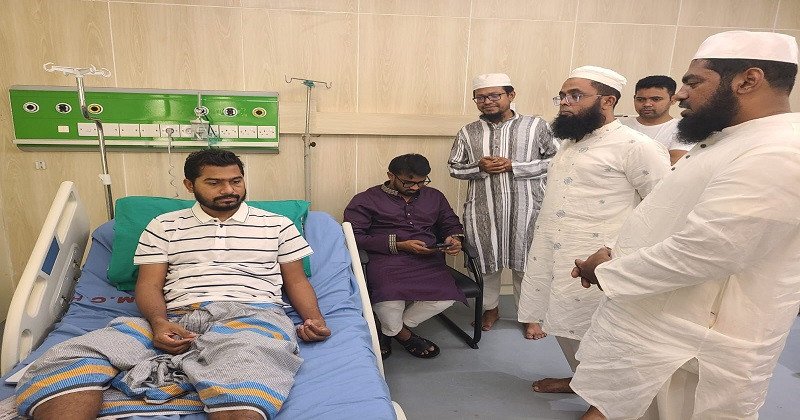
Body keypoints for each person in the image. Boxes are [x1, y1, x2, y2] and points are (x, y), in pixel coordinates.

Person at [570, 31, 800, 420]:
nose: (680, 94)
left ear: (748, 80)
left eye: (694, 82)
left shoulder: (780, 151)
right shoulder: (729, 139)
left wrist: (606, 271)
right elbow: (669, 213)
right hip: (659, 322)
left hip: (698, 340)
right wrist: (615, 251)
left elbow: (710, 250)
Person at [16, 148, 331, 420]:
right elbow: (149, 285)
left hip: (251, 314)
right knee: (72, 356)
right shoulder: (164, 226)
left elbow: (296, 280)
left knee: (245, 367)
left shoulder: (277, 225)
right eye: (214, 182)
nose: (229, 189)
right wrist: (158, 323)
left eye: (236, 181)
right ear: (189, 185)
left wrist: (314, 319)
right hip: (178, 315)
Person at [516, 66, 670, 394]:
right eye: (562, 96)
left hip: (598, 258)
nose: (565, 102)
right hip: (553, 249)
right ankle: (580, 382)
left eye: (576, 96)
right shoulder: (570, 143)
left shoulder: (636, 146)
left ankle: (603, 399)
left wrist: (616, 252)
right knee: (561, 320)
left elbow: (661, 208)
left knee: (597, 330)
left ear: (607, 100)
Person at [448, 73, 558, 337]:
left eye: (494, 95)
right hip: (483, 211)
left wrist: (514, 166)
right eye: (481, 97)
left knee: (527, 265)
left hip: (527, 210)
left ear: (511, 95)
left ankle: (530, 316)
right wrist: (479, 167)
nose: (487, 101)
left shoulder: (536, 126)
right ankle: (491, 309)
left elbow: (557, 162)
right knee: (486, 264)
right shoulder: (468, 132)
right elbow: (454, 168)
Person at [345, 154, 465, 359]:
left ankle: (390, 329)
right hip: (385, 258)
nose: (416, 187)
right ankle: (405, 336)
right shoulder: (366, 199)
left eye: (422, 182)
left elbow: (450, 222)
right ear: (390, 175)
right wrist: (400, 245)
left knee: (445, 297)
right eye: (409, 182)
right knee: (388, 298)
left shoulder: (434, 196)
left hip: (427, 259)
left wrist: (453, 239)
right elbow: (353, 236)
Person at [619, 75, 693, 164]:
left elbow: (675, 165)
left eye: (656, 99)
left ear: (673, 100)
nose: (647, 104)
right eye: (641, 99)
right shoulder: (619, 124)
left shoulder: (682, 129)